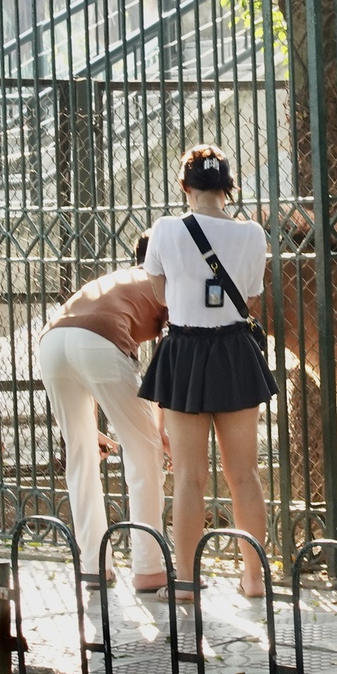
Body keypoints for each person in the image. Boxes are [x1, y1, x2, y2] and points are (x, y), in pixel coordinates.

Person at [140, 145, 277, 599]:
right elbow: (251, 297)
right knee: (245, 475)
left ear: (185, 186)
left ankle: (186, 581)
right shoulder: (254, 234)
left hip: (185, 351)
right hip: (235, 352)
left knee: (190, 477)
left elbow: (161, 295)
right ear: (227, 188)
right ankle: (254, 579)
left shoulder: (164, 230)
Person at [38, 234, 168, 592]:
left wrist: (90, 424)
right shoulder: (163, 284)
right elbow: (162, 362)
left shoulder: (117, 280)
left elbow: (81, 345)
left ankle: (94, 566)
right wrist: (160, 430)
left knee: (80, 457)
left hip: (51, 343)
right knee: (145, 455)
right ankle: (148, 568)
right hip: (97, 344)